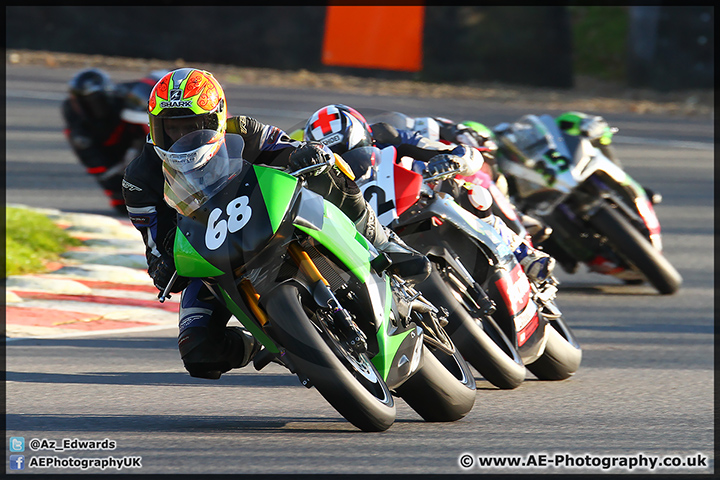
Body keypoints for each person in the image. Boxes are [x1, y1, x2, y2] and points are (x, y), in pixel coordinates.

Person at [122, 69, 430, 381]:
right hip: (212, 256)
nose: (182, 136)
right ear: (154, 126)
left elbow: (289, 150)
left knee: (328, 171)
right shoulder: (139, 179)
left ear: (215, 119)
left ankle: (383, 242)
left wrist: (306, 155)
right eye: (171, 128)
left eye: (192, 126)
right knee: (199, 353)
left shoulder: (243, 129)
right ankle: (265, 344)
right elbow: (155, 245)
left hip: (269, 218)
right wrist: (161, 268)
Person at [303, 104, 555, 284]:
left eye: (353, 151)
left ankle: (523, 252)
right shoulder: (314, 178)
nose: (351, 165)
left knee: (467, 191)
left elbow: (437, 148)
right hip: (373, 231)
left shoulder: (386, 136)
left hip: (415, 200)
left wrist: (453, 160)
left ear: (365, 135)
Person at [62, 68, 166, 215]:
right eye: (85, 102)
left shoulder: (124, 96)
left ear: (107, 95)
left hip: (132, 143)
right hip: (112, 157)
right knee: (123, 205)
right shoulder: (76, 122)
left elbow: (157, 80)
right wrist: (115, 188)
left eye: (95, 100)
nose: (92, 106)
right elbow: (93, 162)